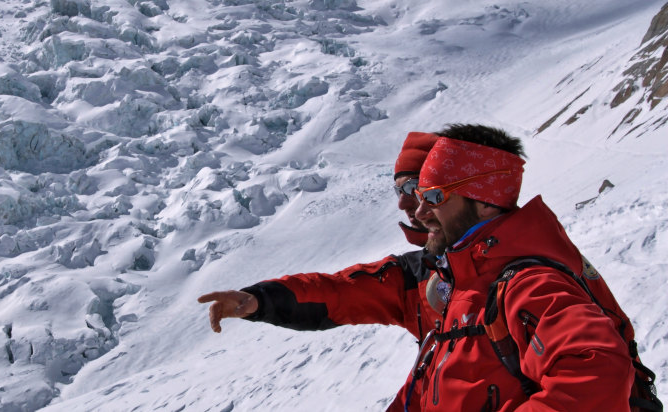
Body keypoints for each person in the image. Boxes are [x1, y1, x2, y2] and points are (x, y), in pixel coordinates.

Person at [198, 131, 445, 411]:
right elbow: (337, 292)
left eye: (412, 187)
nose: (402, 203)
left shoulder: (502, 271)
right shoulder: (416, 274)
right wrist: (261, 301)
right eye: (398, 191)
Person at [410, 124, 640, 411]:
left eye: (434, 197)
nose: (419, 213)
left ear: (484, 202)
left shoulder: (529, 283)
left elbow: (598, 372)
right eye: (419, 195)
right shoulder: (470, 278)